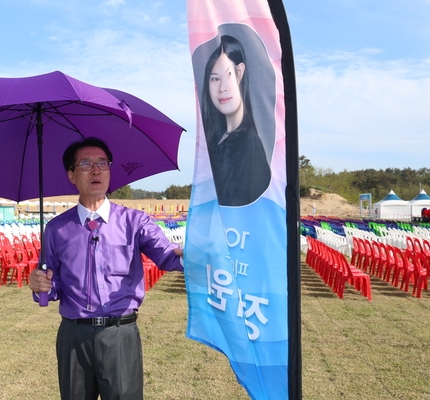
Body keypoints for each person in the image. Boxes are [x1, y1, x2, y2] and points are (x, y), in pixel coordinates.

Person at [29, 137, 183, 400]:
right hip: (74, 337)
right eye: (86, 164)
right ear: (71, 175)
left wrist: (196, 253)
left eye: (103, 163)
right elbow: (52, 284)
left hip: (120, 334)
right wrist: (40, 284)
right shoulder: (56, 229)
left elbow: (168, 256)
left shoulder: (135, 221)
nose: (96, 170)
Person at [200, 34, 271, 206]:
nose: (222, 88)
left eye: (228, 75)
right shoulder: (215, 140)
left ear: (239, 72)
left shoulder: (250, 144)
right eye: (215, 79)